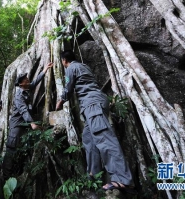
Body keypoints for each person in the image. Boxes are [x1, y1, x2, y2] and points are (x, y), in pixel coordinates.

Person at [55, 50, 135, 194]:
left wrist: (60, 101)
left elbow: (68, 88)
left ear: (64, 60)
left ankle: (121, 179)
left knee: (104, 138)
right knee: (89, 138)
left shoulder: (71, 68)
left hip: (92, 104)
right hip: (94, 104)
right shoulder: (84, 66)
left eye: (62, 62)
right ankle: (93, 174)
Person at [2, 62, 53, 180]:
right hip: (17, 123)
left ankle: (25, 170)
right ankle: (6, 176)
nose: (27, 79)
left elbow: (35, 82)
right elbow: (24, 110)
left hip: (25, 122)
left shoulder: (28, 87)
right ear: (21, 84)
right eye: (25, 79)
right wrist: (32, 123)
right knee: (12, 147)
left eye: (26, 78)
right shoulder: (18, 96)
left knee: (27, 145)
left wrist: (45, 69)